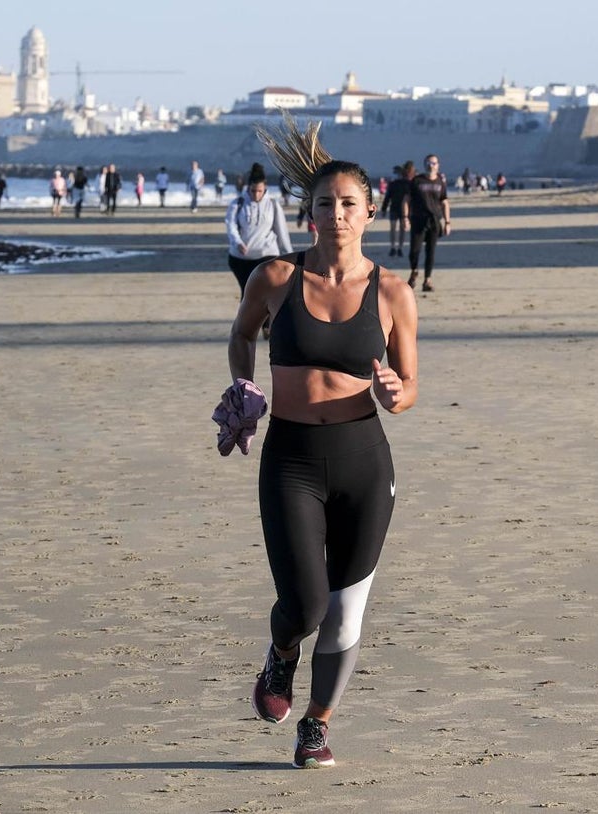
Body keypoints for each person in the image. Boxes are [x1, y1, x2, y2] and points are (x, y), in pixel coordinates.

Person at [221, 115, 418, 769]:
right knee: (305, 605)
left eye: (349, 204)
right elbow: (242, 334)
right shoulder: (275, 279)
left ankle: (317, 723)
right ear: (310, 212)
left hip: (363, 460)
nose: (337, 213)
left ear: (370, 210)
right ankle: (280, 658)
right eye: (326, 203)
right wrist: (243, 387)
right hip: (292, 459)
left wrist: (395, 393)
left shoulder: (392, 291)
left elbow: (410, 385)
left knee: (347, 611)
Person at [225, 162, 294, 337]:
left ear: (265, 190)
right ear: (248, 188)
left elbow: (281, 231)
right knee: (248, 293)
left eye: (260, 191)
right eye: (253, 191)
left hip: (266, 254)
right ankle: (245, 328)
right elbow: (231, 226)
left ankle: (267, 325)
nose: (256, 194)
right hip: (241, 257)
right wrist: (238, 242)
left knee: (269, 292)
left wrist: (290, 256)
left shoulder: (273, 205)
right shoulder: (238, 203)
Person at [402, 154, 450, 292]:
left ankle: (427, 280)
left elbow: (445, 202)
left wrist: (447, 222)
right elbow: (406, 199)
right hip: (418, 220)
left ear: (438, 165)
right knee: (414, 251)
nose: (431, 165)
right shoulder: (417, 181)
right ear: (424, 165)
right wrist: (405, 218)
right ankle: (414, 270)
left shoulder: (440, 182)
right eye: (429, 163)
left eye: (434, 163)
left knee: (431, 251)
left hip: (434, 221)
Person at [380, 162, 413, 257]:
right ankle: (393, 247)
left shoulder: (408, 183)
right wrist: (383, 209)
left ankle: (400, 248)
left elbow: (410, 199)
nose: (397, 175)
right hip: (394, 208)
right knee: (393, 229)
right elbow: (387, 197)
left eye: (398, 173)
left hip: (404, 210)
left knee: (402, 229)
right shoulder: (393, 184)